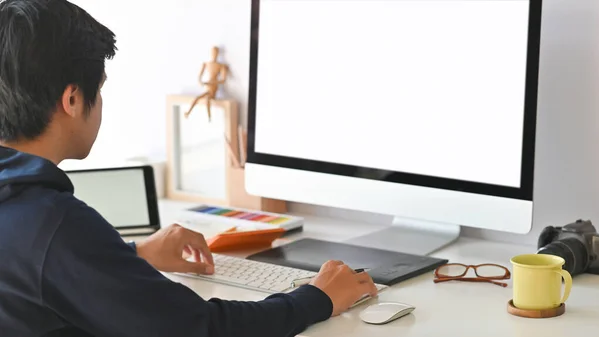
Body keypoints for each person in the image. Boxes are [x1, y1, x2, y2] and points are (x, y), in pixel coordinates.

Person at [0, 1, 378, 337]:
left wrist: (132, 256)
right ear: (72, 99)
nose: (100, 104)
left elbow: (39, 272)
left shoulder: (23, 211)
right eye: (99, 90)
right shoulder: (54, 224)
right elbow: (199, 326)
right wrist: (318, 297)